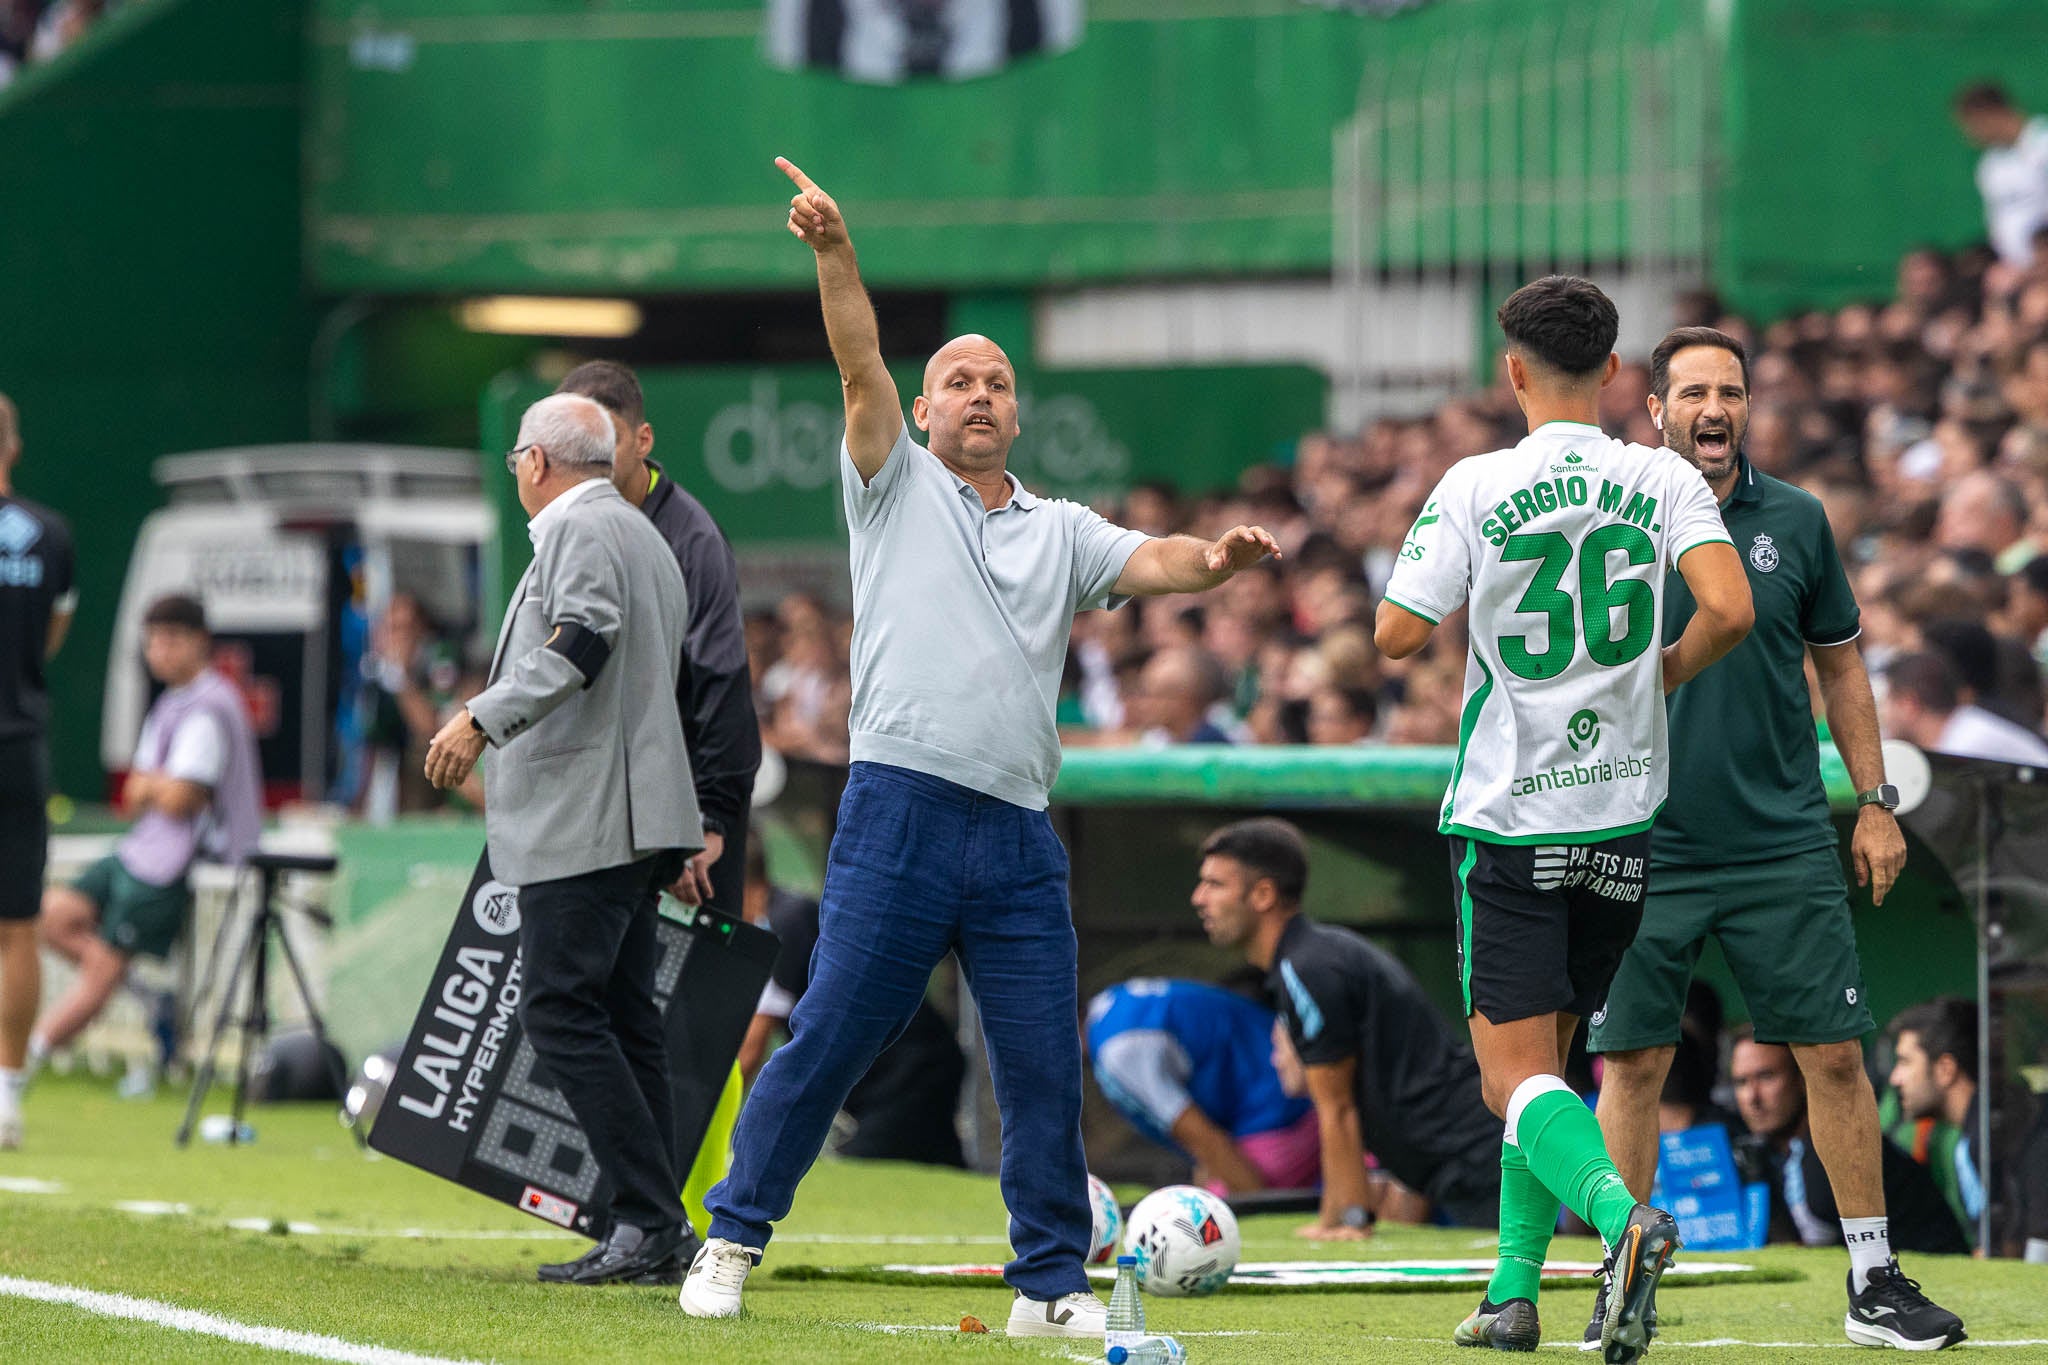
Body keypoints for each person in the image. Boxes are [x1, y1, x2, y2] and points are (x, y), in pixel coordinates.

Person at [680, 158, 1280, 1338]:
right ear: (919, 411)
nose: (977, 395)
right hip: (897, 811)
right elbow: (857, 358)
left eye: (996, 383)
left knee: (1040, 1067)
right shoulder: (890, 487)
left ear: (1015, 412)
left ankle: (1048, 1287)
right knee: (834, 1035)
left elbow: (1153, 558)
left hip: (1013, 831)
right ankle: (732, 1239)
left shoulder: (1060, 529)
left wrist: (1214, 559)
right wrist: (835, 254)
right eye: (956, 380)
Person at [1374, 276, 1755, 1358]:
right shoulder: (1662, 475)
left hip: (1510, 819)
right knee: (1545, 1067)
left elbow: (1396, 635)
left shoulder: (1475, 482)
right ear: (1614, 372)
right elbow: (1730, 609)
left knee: (1509, 1075)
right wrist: (1656, 676)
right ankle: (1510, 1294)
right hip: (1623, 822)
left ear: (1511, 372)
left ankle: (1621, 1219)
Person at [1588, 327, 1966, 1351]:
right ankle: (1620, 1283)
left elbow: (1840, 669)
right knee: (1629, 1067)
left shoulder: (1795, 519)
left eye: (1731, 391)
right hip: (1635, 839)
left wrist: (1875, 799)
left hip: (1779, 843)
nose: (1714, 408)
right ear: (1653, 409)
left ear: (1746, 406)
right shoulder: (1606, 515)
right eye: (1693, 392)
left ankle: (1872, 1280)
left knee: (1835, 1061)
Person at [423, 392, 701, 1287]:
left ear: (537, 462)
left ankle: (650, 1219)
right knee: (624, 1019)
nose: (516, 474)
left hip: (587, 813)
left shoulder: (582, 531)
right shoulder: (642, 532)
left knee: (560, 1009)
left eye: (515, 460)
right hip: (633, 812)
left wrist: (479, 715)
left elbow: (582, 640)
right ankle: (655, 1225)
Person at [1192, 818, 1501, 1230]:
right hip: (1461, 1165)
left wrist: (1345, 1220)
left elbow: (1336, 1107)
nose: (1199, 898)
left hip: (1477, 1162)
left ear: (1263, 894)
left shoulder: (1308, 967)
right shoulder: (1306, 960)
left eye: (1215, 884)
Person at [554, 360, 761, 915]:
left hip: (688, 809)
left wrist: (711, 820)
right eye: (577, 443)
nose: (591, 459)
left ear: (643, 440)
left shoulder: (693, 541)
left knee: (687, 993)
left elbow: (723, 683)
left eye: (608, 440)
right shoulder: (566, 532)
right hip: (600, 808)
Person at [30, 595, 261, 1086]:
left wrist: (154, 786)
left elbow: (178, 800)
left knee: (100, 973)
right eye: (153, 640)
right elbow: (131, 796)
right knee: (47, 916)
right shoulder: (168, 703)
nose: (160, 651)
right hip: (141, 849)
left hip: (183, 863)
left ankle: (23, 1062)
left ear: (201, 642)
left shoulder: (212, 705)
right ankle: (150, 999)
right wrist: (157, 787)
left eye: (172, 639)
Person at [737, 840, 965, 1167]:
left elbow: (752, 1047)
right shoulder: (784, 917)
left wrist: (705, 1119)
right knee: (940, 1168)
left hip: (911, 1072)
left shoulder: (785, 922)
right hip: (901, 1072)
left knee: (861, 1171)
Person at [0, 392, 75, 1149]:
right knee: (17, 927)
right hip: (20, 741)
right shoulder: (49, 534)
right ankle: (7, 1096)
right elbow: (50, 634)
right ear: (14, 447)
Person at [1731, 1033, 1968, 1259]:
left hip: (1926, 1282)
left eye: (1766, 1077)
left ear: (1803, 1079)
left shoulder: (1839, 1148)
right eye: (1741, 1082)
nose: (1753, 1097)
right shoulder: (1771, 1155)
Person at [1086, 976, 1313, 1195]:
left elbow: (1204, 1138)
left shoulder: (1119, 1050)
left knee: (1206, 1209)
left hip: (1287, 1107)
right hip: (1273, 1091)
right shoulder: (1107, 1004)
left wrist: (1257, 1212)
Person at [1888, 999, 1987, 1245]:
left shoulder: (1992, 1140)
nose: (1895, 1078)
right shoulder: (1972, 1139)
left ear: (1945, 1069)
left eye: (1904, 1061)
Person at [1881, 650, 2048, 765]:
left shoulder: (1965, 744)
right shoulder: (1959, 730)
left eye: (1887, 699)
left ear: (1908, 705)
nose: (1882, 712)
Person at [1952, 82, 2048, 269]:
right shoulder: (1989, 165)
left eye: (1971, 126)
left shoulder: (2043, 143)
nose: (1969, 136)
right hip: (2012, 272)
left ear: (1990, 114)